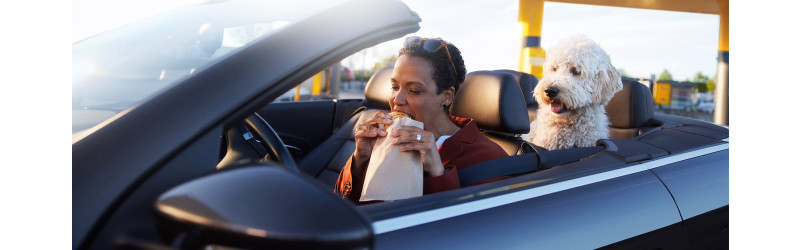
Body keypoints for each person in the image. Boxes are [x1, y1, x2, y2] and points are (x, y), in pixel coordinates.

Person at [335, 36, 509, 203]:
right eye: (395, 87)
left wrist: (437, 172)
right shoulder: (383, 138)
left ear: (447, 96)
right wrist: (360, 160)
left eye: (414, 90)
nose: (397, 100)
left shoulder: (489, 158)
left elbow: (467, 229)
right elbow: (340, 206)